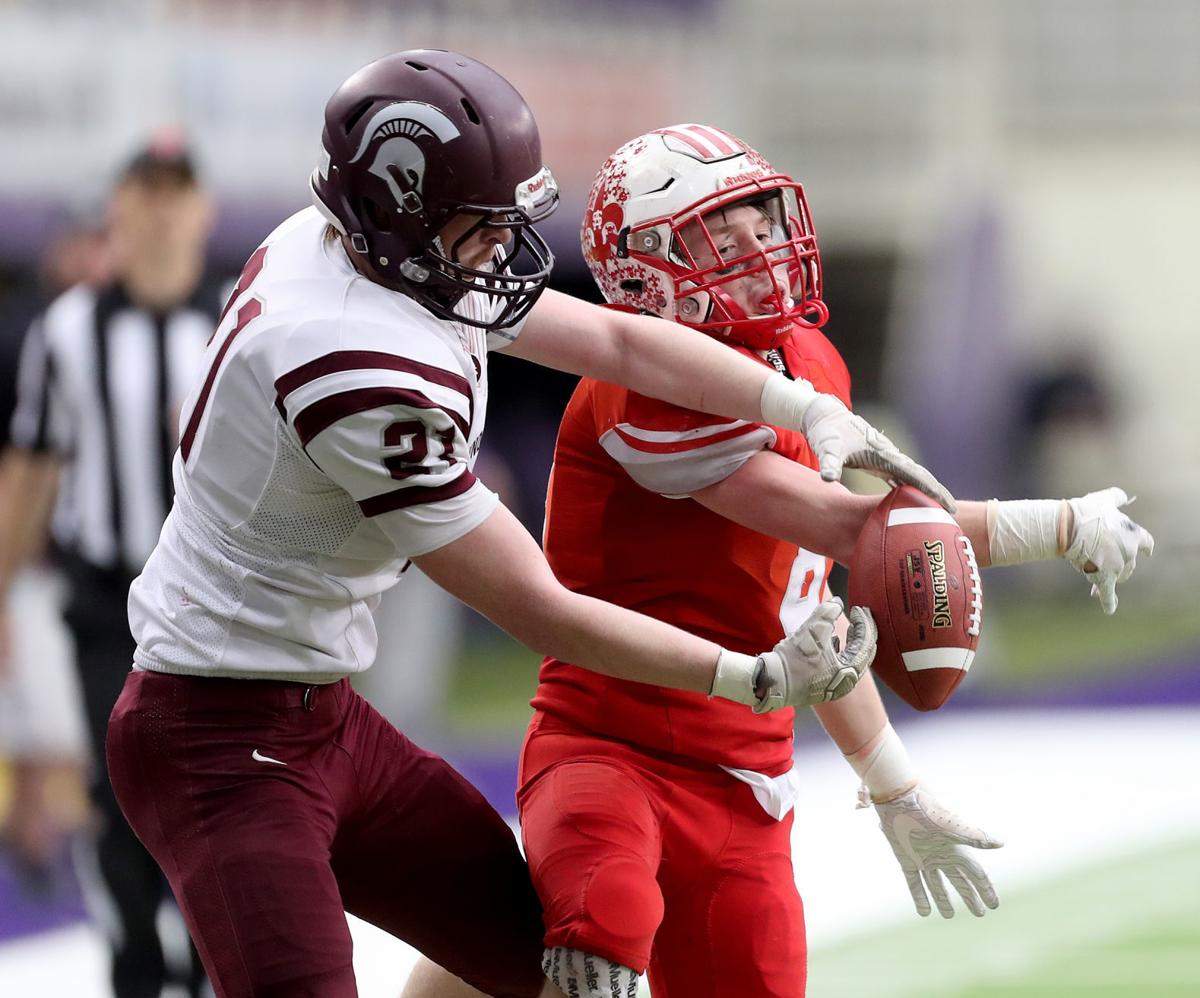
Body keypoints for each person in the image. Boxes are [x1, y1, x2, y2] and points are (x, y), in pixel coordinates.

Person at [96, 49, 974, 998]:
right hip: (215, 739)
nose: (501, 254)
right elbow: (539, 608)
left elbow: (617, 337)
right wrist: (752, 678)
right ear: (400, 220)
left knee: (562, 969)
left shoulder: (359, 243)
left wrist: (804, 409)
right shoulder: (353, 365)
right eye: (480, 231)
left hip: (326, 712)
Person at [405, 124, 1155, 998]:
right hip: (613, 748)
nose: (760, 245)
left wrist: (893, 786)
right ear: (649, 271)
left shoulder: (806, 363)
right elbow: (857, 531)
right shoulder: (635, 392)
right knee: (593, 940)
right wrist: (1057, 525)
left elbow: (810, 611)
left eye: (760, 218)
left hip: (749, 776)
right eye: (723, 234)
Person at [0, 136, 219, 997]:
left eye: (178, 193)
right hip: (106, 604)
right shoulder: (66, 331)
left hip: (213, 608)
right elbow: (32, 468)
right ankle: (133, 963)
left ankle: (211, 964)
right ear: (119, 208)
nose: (162, 210)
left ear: (202, 211)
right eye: (147, 191)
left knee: (210, 802)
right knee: (117, 796)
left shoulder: (240, 317)